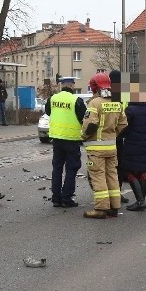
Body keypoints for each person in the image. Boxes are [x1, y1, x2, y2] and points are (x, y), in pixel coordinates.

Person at [82, 72, 128, 219]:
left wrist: (82, 137)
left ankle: (101, 209)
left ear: (94, 87)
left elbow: (91, 125)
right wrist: (112, 135)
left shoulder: (94, 103)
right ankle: (114, 207)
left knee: (98, 176)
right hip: (112, 147)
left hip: (96, 148)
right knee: (112, 176)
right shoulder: (117, 102)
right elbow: (123, 125)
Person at [45, 76, 86, 208]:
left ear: (62, 86)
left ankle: (56, 198)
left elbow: (48, 112)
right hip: (72, 139)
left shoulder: (53, 98)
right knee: (71, 168)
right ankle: (67, 198)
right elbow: (83, 118)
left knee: (57, 168)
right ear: (72, 86)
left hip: (56, 138)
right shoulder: (77, 100)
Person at [115, 75, 146, 212]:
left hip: (132, 144)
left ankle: (140, 201)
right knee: (142, 171)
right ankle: (141, 199)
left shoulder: (130, 110)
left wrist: (118, 134)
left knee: (129, 171)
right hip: (145, 143)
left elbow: (123, 127)